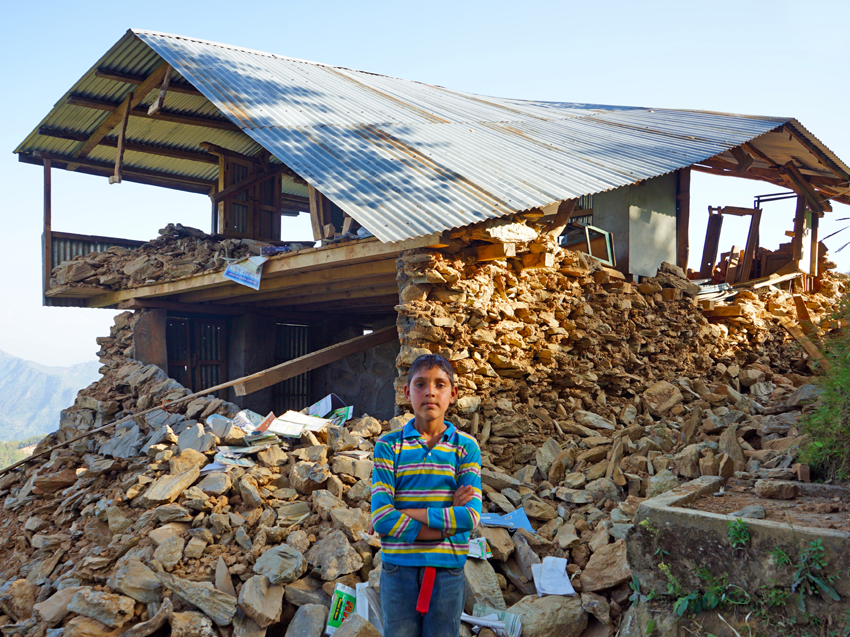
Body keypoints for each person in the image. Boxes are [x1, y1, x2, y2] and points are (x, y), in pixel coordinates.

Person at [371, 354, 482, 637]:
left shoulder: (465, 447)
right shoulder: (389, 445)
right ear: (407, 393)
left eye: (440, 384)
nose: (430, 392)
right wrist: (442, 529)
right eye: (420, 384)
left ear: (453, 394)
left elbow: (469, 516)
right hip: (399, 569)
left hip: (447, 570)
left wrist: (404, 513)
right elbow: (382, 518)